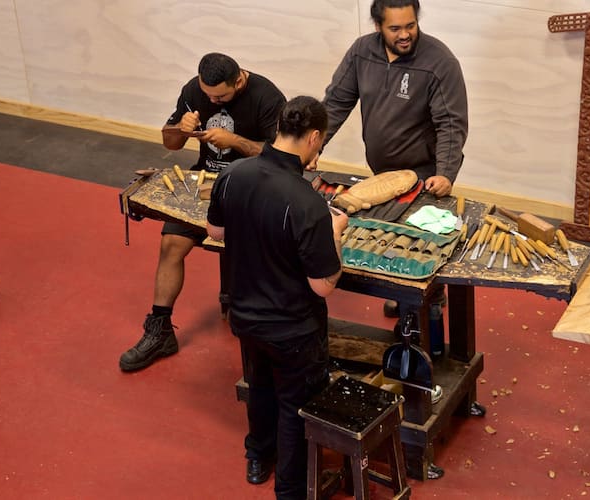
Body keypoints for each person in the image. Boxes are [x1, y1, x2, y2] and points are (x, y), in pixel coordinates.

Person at [206, 96, 349, 499]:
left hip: (245, 316)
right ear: (314, 138)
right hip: (292, 329)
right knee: (293, 404)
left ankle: (257, 457)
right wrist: (335, 234)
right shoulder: (308, 203)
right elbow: (323, 284)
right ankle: (290, 490)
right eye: (320, 145)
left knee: (260, 385)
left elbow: (215, 231)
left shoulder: (234, 174)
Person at [118, 53, 286, 372]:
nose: (212, 100)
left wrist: (233, 140)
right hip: (204, 183)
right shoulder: (194, 91)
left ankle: (261, 322)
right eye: (208, 94)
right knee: (171, 245)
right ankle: (160, 329)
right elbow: (170, 143)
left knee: (255, 252)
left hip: (254, 185)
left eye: (220, 96)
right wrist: (180, 129)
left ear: (239, 81)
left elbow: (282, 156)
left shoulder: (268, 97)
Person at [320, 0, 468, 317]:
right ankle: (403, 294)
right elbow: (335, 104)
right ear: (378, 26)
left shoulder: (439, 61)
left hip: (426, 173)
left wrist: (446, 172)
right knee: (387, 234)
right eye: (395, 28)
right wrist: (312, 148)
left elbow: (451, 123)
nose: (405, 35)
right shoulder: (362, 52)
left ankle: (429, 301)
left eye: (410, 25)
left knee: (423, 241)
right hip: (382, 171)